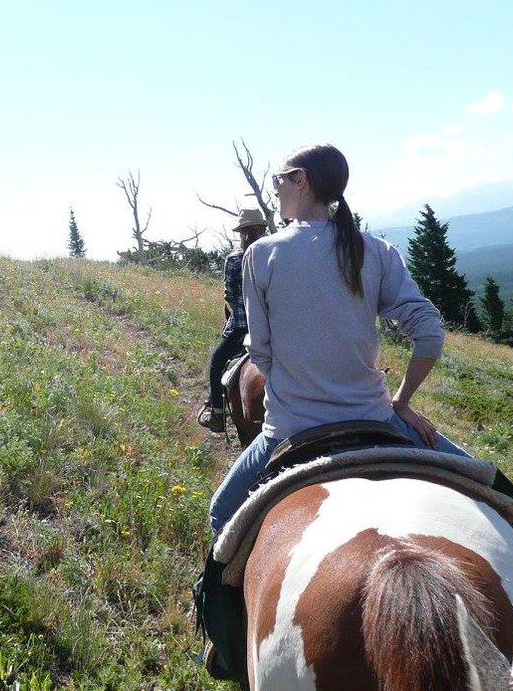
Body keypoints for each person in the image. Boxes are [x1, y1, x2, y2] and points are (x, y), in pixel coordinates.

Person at [208, 144, 471, 537]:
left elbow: (260, 351)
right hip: (376, 418)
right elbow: (430, 334)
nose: (276, 188)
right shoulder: (377, 250)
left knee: (220, 514)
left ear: (302, 180)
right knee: (496, 491)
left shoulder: (261, 254)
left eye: (279, 179)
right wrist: (400, 402)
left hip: (291, 428)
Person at [198, 208, 269, 433]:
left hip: (241, 329)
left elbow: (228, 293)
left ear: (242, 233)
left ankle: (217, 413)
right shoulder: (273, 253)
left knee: (217, 361)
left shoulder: (234, 259)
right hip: (274, 328)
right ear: (263, 230)